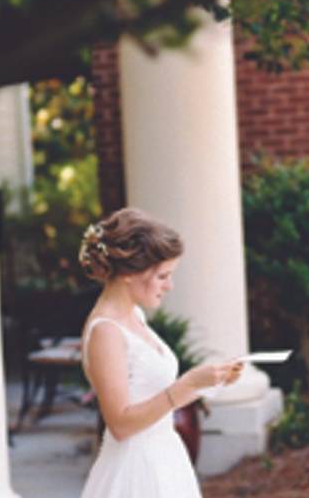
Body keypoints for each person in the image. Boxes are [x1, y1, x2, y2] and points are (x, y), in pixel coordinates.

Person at [78, 207, 243, 497]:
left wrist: (209, 381)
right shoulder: (106, 331)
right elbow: (120, 424)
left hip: (165, 458)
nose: (170, 286)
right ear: (130, 274)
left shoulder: (135, 316)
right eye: (162, 276)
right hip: (134, 470)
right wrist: (188, 384)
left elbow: (152, 394)